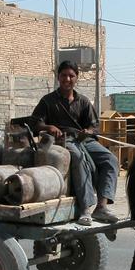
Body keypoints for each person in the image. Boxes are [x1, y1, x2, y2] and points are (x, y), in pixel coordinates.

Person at [31, 60, 119, 226]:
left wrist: (89, 131)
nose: (67, 79)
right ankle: (85, 208)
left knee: (111, 159)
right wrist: (49, 127)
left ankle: (101, 206)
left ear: (77, 78)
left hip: (84, 140)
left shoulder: (83, 101)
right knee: (78, 158)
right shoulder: (48, 101)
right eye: (64, 75)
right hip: (61, 141)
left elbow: (95, 126)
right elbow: (35, 123)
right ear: (58, 77)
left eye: (71, 76)